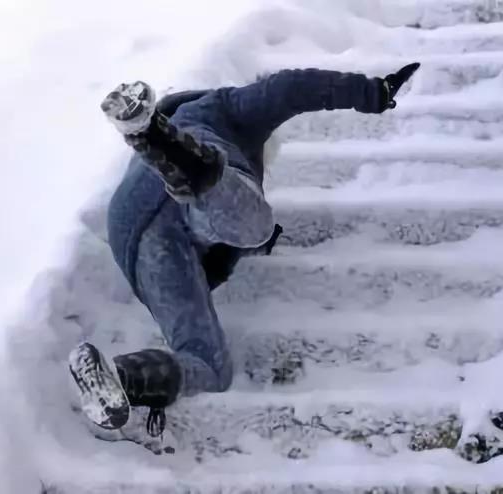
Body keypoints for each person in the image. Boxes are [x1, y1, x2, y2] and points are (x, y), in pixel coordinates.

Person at [68, 63, 421, 437]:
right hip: (184, 178)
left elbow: (217, 252)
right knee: (253, 224)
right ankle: (181, 156)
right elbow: (289, 88)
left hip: (134, 232)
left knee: (209, 365)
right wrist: (372, 91)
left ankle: (120, 379)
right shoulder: (219, 107)